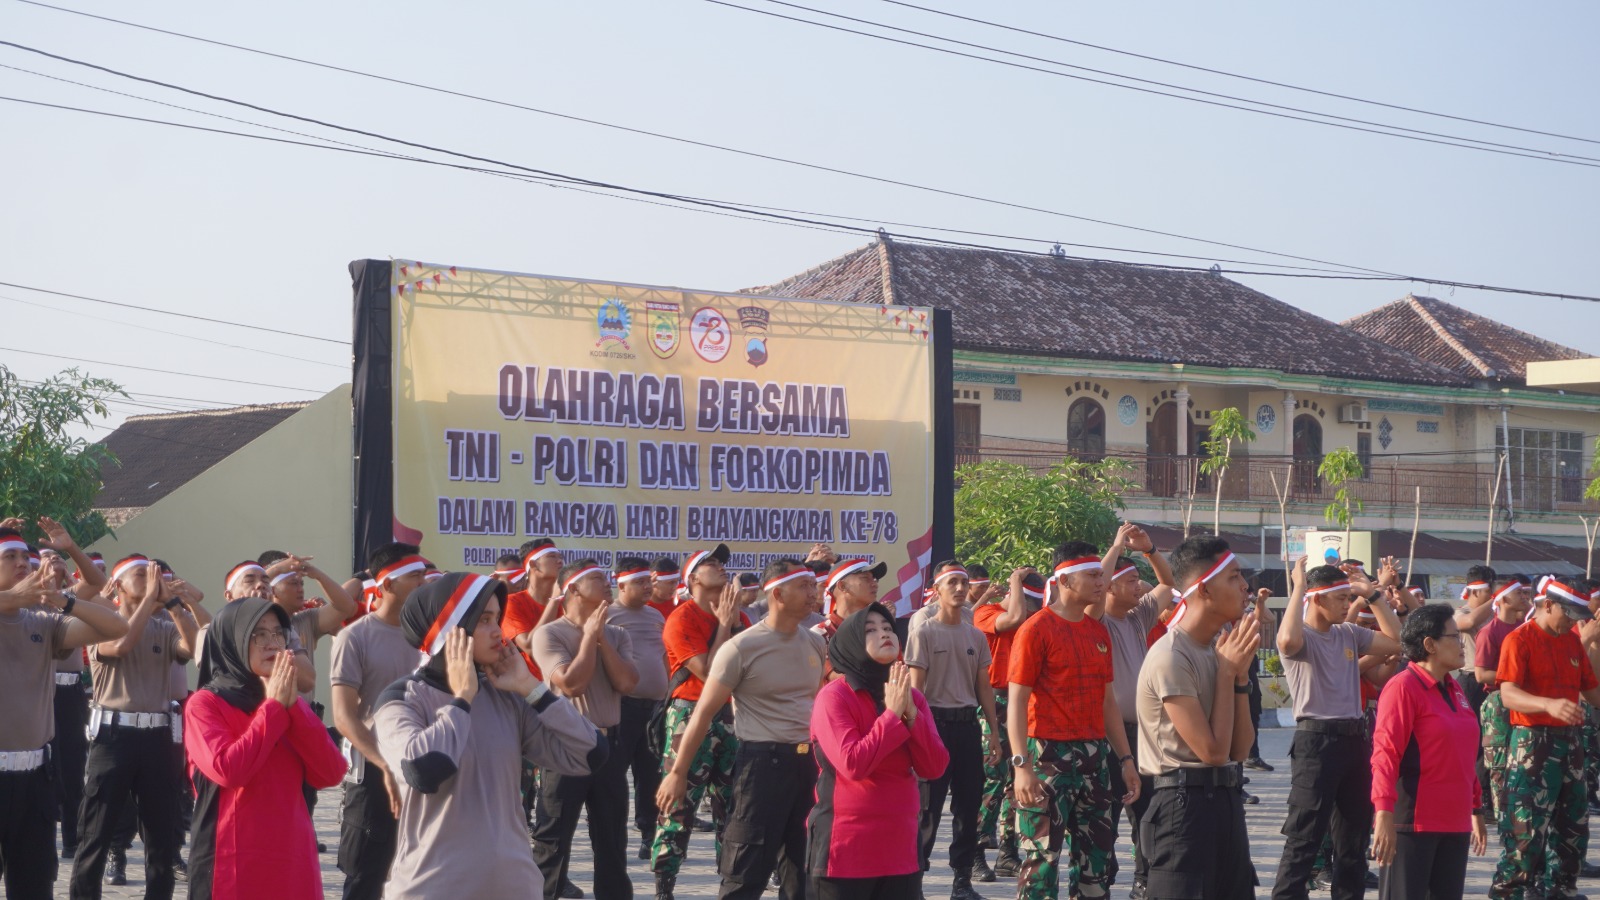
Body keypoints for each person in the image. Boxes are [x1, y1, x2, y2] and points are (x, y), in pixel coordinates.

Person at [373, 572, 601, 900]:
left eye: (498, 619)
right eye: (484, 620)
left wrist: (532, 689)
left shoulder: (507, 696)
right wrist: (462, 698)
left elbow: (590, 753)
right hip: (432, 888)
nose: (499, 632)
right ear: (451, 632)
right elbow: (424, 770)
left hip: (515, 888)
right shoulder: (402, 697)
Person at [656, 557, 828, 900]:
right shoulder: (743, 646)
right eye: (804, 586)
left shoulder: (814, 642)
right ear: (777, 594)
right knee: (746, 870)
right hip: (760, 766)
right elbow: (702, 713)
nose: (814, 592)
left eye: (814, 585)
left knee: (803, 871)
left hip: (806, 765)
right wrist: (678, 772)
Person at [183, 597, 347, 900]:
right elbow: (228, 770)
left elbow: (332, 772)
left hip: (292, 855)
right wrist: (272, 710)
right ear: (233, 641)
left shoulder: (288, 701)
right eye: (259, 634)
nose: (272, 643)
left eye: (278, 634)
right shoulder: (205, 704)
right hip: (231, 860)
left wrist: (292, 707)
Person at [0, 526, 129, 900]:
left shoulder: (42, 622)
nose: (23, 563)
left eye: (26, 557)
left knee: (34, 886)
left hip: (34, 777)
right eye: (11, 557)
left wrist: (64, 601)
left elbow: (116, 625)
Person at [1008, 542, 1140, 900]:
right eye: (1093, 575)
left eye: (1103, 574)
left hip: (1094, 755)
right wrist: (1022, 765)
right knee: (1042, 858)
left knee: (1097, 858)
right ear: (1065, 580)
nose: (1103, 582)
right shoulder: (1035, 630)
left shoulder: (1097, 631)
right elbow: (1017, 702)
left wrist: (1126, 759)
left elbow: (1107, 701)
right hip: (1048, 754)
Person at [1270, 556, 1403, 900]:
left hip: (1354, 739)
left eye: (1348, 599)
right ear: (1316, 599)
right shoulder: (1302, 637)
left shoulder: (1348, 633)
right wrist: (1298, 586)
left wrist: (1373, 596)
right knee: (1305, 834)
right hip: (1316, 742)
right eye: (1341, 599)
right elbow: (1284, 642)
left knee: (1353, 839)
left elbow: (1395, 641)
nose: (1348, 606)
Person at [71, 553, 202, 900]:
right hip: (113, 738)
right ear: (117, 586)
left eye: (153, 573)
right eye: (141, 574)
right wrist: (148, 602)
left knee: (161, 842)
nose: (151, 578)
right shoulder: (101, 623)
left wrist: (174, 603)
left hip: (158, 738)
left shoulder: (164, 625)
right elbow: (122, 644)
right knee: (95, 838)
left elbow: (194, 648)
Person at [1136, 535, 1260, 900]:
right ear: (1204, 590)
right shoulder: (1171, 656)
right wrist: (1227, 674)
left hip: (1224, 798)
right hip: (1182, 807)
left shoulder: (1218, 649)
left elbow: (1240, 749)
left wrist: (1239, 680)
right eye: (1234, 577)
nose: (1245, 587)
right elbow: (1212, 752)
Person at [809, 603, 948, 900]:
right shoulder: (833, 697)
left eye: (887, 628)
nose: (884, 633)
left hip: (900, 847)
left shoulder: (912, 697)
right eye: (870, 630)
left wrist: (911, 715)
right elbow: (854, 763)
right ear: (851, 642)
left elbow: (934, 767)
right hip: (845, 850)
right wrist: (892, 715)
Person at [530, 560, 641, 900]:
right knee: (553, 842)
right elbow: (571, 683)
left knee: (611, 841)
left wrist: (601, 638)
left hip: (610, 746)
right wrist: (589, 636)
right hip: (564, 748)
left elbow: (627, 681)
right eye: (596, 578)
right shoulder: (549, 633)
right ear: (573, 589)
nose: (607, 582)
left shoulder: (619, 633)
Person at [1489, 578, 1600, 899]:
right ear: (1547, 604)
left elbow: (1593, 693)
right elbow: (1508, 694)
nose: (1571, 622)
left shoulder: (1571, 641)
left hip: (1571, 743)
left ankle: (1560, 889)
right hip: (1532, 743)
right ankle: (1511, 891)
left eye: (1578, 617)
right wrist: (1547, 704)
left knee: (1574, 828)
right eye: (1568, 614)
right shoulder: (1519, 640)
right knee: (1525, 830)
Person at [329, 542, 427, 900]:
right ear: (387, 585)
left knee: (419, 872)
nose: (424, 582)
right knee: (366, 873)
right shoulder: (355, 637)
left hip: (423, 764)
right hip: (374, 769)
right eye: (415, 576)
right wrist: (383, 764)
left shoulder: (432, 637)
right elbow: (343, 716)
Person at [1369, 603, 1487, 900]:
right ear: (1429, 644)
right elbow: (1385, 753)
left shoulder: (1454, 688)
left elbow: (1463, 754)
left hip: (1454, 821)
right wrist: (1383, 813)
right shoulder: (1403, 687)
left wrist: (1475, 808)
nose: (1462, 645)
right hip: (1413, 822)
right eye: (1454, 637)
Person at [652, 543, 750, 900]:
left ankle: (731, 880)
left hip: (731, 715)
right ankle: (665, 884)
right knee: (679, 803)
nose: (721, 568)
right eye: (711, 563)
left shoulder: (740, 617)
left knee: (734, 805)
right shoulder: (682, 619)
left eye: (722, 563)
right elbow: (709, 671)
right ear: (693, 578)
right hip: (689, 714)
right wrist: (725, 624)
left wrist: (733, 621)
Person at [1089, 525, 1177, 898]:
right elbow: (1095, 592)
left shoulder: (1139, 617)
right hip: (1107, 732)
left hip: (1144, 732)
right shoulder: (1096, 620)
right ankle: (1102, 875)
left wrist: (1149, 550)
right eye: (1131, 581)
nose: (1140, 587)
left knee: (1147, 809)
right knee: (1105, 811)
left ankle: (1143, 880)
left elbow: (1168, 583)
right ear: (1109, 586)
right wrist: (1113, 547)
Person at [906, 561, 999, 900]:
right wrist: (918, 735)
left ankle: (962, 880)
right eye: (953, 583)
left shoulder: (975, 634)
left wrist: (993, 731)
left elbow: (984, 687)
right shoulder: (923, 632)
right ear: (937, 590)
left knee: (968, 804)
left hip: (967, 727)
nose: (960, 588)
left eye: (964, 582)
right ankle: (913, 877)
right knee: (927, 809)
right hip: (934, 726)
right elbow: (915, 691)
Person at [972, 568, 1044, 879]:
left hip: (1024, 703)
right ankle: (974, 854)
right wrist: (1015, 582)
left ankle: (1008, 852)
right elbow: (1012, 619)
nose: (1034, 609)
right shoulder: (988, 612)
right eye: (1029, 601)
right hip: (994, 702)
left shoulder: (1034, 620)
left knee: (1019, 781)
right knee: (991, 778)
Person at [607, 555, 670, 860]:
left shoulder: (656, 616)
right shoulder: (606, 615)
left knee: (650, 774)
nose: (648, 587)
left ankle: (648, 833)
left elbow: (662, 657)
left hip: (655, 708)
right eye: (640, 582)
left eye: (649, 581)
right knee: (615, 773)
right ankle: (611, 832)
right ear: (620, 583)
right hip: (621, 707)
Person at [1472, 577, 1530, 824]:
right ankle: (1501, 815)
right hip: (1498, 702)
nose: (1525, 599)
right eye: (1520, 595)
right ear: (1504, 599)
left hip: (1524, 699)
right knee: (1498, 765)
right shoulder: (1490, 632)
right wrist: (1513, 677)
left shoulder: (1525, 629)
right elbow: (1481, 674)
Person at [814, 558, 888, 642]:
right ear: (842, 586)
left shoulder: (884, 633)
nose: (875, 584)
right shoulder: (819, 636)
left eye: (875, 579)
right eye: (865, 578)